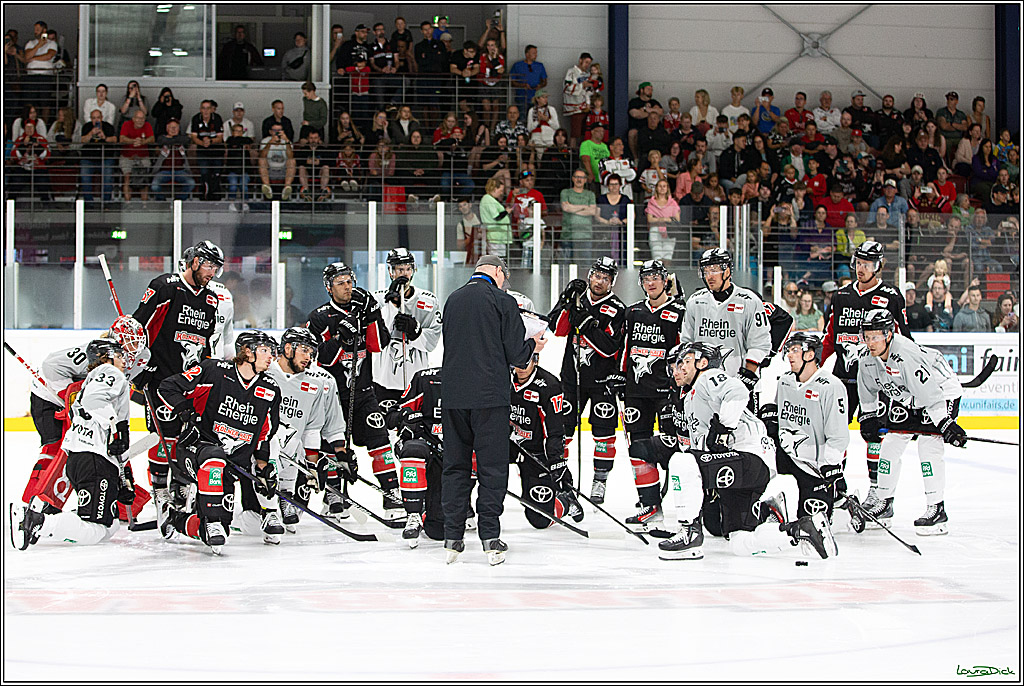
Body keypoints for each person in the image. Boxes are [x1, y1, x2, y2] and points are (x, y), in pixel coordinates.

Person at [641, 342, 836, 560]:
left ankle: (689, 532)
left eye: (684, 363)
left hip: (750, 458)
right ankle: (802, 530)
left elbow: (738, 391)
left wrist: (724, 430)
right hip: (743, 466)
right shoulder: (690, 398)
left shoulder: (708, 377)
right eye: (674, 367)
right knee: (740, 542)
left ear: (703, 363)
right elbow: (700, 449)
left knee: (680, 460)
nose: (677, 370)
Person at [440, 255, 546, 565]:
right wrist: (534, 347)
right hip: (490, 397)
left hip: (454, 397)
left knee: (455, 467)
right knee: (491, 468)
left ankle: (452, 537)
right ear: (498, 272)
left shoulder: (453, 299)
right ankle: (490, 537)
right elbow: (516, 354)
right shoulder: (503, 301)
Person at [154, 331, 281, 551]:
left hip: (231, 466)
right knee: (214, 458)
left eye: (272, 351)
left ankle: (175, 518)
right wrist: (185, 412)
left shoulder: (270, 389)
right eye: (265, 351)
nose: (271, 356)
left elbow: (265, 434)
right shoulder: (214, 370)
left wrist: (262, 467)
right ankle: (211, 519)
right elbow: (167, 387)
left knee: (218, 531)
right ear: (247, 352)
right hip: (196, 451)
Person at [131, 241, 224, 524]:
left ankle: (181, 486)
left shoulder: (210, 300)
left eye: (216, 268)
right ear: (193, 262)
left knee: (190, 434)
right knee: (164, 436)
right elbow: (137, 327)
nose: (212, 273)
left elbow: (207, 343)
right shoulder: (165, 287)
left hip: (189, 380)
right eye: (208, 265)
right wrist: (139, 369)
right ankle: (160, 490)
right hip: (160, 379)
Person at [19, 318, 149, 516]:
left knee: (107, 443)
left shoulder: (142, 356)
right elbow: (50, 366)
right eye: (127, 344)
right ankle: (33, 501)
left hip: (86, 402)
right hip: (48, 397)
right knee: (56, 447)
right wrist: (71, 400)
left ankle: (112, 498)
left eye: (136, 344)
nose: (132, 352)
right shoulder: (93, 353)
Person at [12, 340, 135, 549]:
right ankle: (38, 521)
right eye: (118, 354)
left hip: (82, 460)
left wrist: (124, 478)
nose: (124, 360)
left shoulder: (91, 379)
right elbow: (92, 402)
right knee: (97, 529)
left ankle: (42, 519)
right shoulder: (109, 372)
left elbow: (108, 433)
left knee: (110, 525)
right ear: (105, 356)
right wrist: (116, 427)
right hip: (94, 461)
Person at [306, 262, 400, 521]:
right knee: (333, 447)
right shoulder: (319, 317)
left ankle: (391, 494)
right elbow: (319, 359)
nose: (348, 287)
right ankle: (334, 493)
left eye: (349, 281)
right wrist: (341, 339)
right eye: (341, 283)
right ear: (329, 288)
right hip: (333, 397)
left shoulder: (363, 309)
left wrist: (372, 315)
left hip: (365, 393)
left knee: (380, 442)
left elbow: (379, 345)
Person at [856, 309, 965, 533]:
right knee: (890, 446)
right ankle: (884, 504)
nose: (870, 342)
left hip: (940, 392)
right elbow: (867, 391)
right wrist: (868, 418)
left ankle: (937, 510)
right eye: (867, 336)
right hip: (907, 395)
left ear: (888, 334)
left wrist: (945, 424)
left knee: (928, 446)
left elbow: (931, 395)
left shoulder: (906, 355)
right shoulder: (867, 359)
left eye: (875, 336)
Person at [820, 241, 911, 507]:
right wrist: (814, 366)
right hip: (843, 379)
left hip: (877, 381)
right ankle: (835, 486)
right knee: (835, 433)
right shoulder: (841, 296)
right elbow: (829, 337)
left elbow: (904, 340)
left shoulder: (892, 296)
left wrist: (905, 378)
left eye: (868, 264)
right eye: (859, 263)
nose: (862, 269)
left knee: (874, 434)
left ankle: (877, 490)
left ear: (878, 266)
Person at [547, 258, 627, 503]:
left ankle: (599, 481)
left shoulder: (617, 309)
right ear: (589, 275)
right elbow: (556, 329)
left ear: (612, 282)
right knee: (562, 430)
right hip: (571, 379)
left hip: (603, 381)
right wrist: (565, 302)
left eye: (605, 278)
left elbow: (610, 348)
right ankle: (561, 478)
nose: (599, 281)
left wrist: (588, 327)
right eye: (596, 275)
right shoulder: (578, 300)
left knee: (604, 433)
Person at [617, 259, 686, 530]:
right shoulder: (633, 311)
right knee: (638, 448)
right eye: (646, 278)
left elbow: (685, 350)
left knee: (676, 450)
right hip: (636, 392)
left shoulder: (680, 311)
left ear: (665, 280)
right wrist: (620, 376)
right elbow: (625, 347)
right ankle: (650, 505)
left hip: (667, 393)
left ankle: (684, 506)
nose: (651, 282)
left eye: (656, 277)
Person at [263, 327, 349, 536]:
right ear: (287, 348)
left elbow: (312, 430)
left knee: (294, 439)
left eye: (312, 352)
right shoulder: (264, 373)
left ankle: (286, 496)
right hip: (258, 451)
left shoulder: (315, 383)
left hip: (290, 455)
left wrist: (312, 467)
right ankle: (266, 508)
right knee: (249, 525)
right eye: (304, 350)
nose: (309, 357)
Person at [772, 332, 850, 523]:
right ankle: (771, 509)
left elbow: (838, 433)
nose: (789, 355)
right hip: (786, 456)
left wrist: (831, 464)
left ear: (810, 355)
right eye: (789, 351)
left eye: (795, 351)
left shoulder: (831, 386)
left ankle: (841, 500)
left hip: (815, 465)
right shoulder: (785, 381)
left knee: (810, 522)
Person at [508, 352, 584, 525]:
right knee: (475, 460)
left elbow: (555, 429)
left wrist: (557, 461)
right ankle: (464, 508)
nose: (520, 368)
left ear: (536, 360)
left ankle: (566, 502)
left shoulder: (549, 386)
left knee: (539, 519)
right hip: (509, 444)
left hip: (536, 452)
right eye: (517, 363)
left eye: (525, 362)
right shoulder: (504, 378)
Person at [371, 248, 443, 413]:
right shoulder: (378, 299)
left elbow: (431, 343)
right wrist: (392, 306)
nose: (404, 274)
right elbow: (378, 338)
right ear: (391, 271)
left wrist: (416, 332)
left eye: (408, 269)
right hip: (384, 381)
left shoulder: (429, 301)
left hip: (416, 381)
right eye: (399, 269)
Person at [188, 99, 225, 201]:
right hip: (203, 152)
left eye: (208, 108)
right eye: (203, 108)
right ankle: (204, 196)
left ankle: (216, 196)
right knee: (204, 173)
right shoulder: (196, 118)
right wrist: (203, 143)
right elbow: (194, 137)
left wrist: (210, 141)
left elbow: (220, 137)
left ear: (211, 110)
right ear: (200, 109)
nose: (205, 111)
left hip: (217, 152)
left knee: (216, 174)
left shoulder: (217, 118)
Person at [149, 118, 195, 200]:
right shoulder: (161, 138)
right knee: (154, 186)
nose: (173, 129)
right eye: (171, 127)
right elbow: (161, 140)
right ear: (167, 128)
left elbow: (187, 140)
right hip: (164, 171)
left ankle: (178, 201)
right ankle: (163, 202)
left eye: (175, 127)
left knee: (191, 183)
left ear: (179, 129)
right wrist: (174, 141)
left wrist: (171, 140)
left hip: (180, 170)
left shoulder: (182, 139)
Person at [118, 109, 154, 202]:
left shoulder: (147, 125)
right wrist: (133, 141)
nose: (140, 120)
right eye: (138, 118)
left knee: (144, 179)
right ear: (133, 118)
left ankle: (144, 204)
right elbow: (122, 138)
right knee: (127, 177)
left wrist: (143, 142)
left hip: (143, 156)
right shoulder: (126, 124)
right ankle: (128, 203)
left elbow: (152, 138)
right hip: (127, 156)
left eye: (142, 118)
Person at [258, 122, 296, 201]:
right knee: (262, 160)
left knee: (292, 161)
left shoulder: (287, 141)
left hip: (284, 170)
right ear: (270, 132)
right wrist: (270, 143)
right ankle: (267, 187)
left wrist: (286, 142)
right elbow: (262, 155)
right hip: (269, 170)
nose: (277, 132)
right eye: (275, 130)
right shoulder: (265, 140)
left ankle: (287, 188)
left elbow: (290, 156)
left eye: (279, 130)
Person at [508, 44, 547, 113]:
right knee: (522, 117)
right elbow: (512, 82)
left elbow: (544, 81)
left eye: (536, 53)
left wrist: (540, 86)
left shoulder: (540, 66)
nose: (536, 55)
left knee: (535, 117)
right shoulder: (517, 65)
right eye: (534, 53)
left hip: (536, 98)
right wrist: (522, 85)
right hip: (521, 97)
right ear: (527, 54)